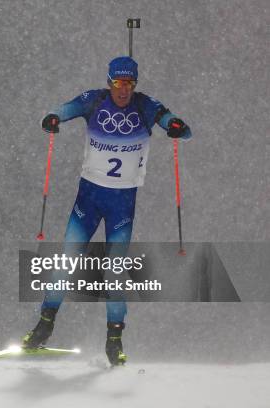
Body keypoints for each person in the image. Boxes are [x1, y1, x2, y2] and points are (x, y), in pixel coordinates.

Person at [22, 56, 192, 366]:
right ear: (109, 81)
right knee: (67, 259)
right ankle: (44, 325)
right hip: (89, 197)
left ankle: (114, 340)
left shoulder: (145, 105)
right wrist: (52, 118)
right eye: (117, 83)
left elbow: (175, 122)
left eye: (128, 84)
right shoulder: (94, 99)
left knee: (115, 272)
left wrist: (176, 126)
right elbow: (63, 109)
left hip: (122, 204)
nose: (123, 90)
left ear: (135, 84)